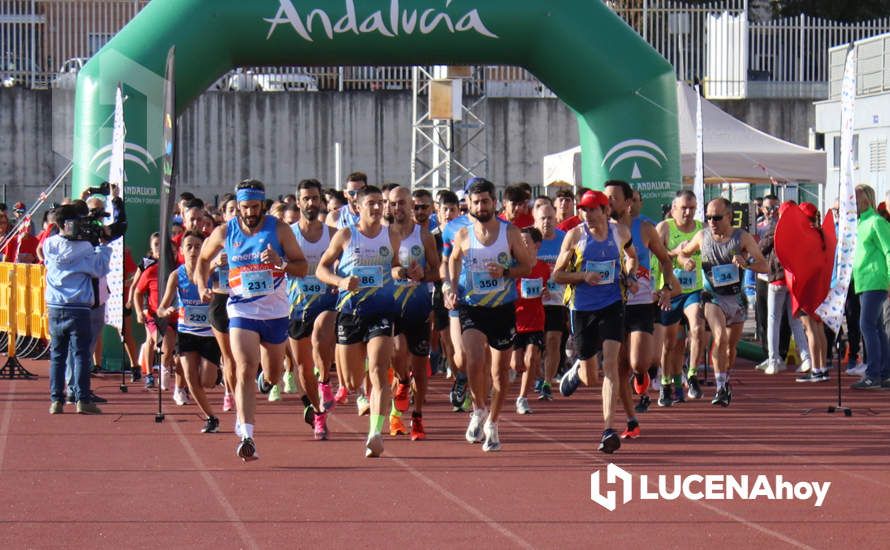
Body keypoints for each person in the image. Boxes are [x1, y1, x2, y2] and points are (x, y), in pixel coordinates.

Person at [195, 179, 308, 461]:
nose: (249, 212)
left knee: (272, 375)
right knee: (244, 367)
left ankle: (266, 383)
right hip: (241, 310)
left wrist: (279, 263)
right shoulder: (225, 231)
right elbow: (202, 259)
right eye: (244, 207)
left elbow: (302, 267)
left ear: (263, 205)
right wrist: (201, 284)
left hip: (275, 312)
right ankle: (247, 435)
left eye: (255, 207)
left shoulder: (279, 230)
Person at [444, 177, 534, 452]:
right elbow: (452, 259)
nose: (481, 206)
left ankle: (493, 423)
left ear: (494, 203)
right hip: (473, 307)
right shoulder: (462, 234)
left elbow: (528, 266)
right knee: (473, 358)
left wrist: (505, 272)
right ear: (468, 205)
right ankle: (478, 409)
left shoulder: (509, 233)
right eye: (475, 202)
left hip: (503, 309)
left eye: (485, 201)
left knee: (499, 374)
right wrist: (450, 285)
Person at [317, 185, 401, 458]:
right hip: (351, 313)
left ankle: (375, 432)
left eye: (380, 203)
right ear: (358, 207)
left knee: (379, 370)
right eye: (371, 204)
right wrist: (341, 281)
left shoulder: (392, 235)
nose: (377, 208)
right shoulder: (345, 235)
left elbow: (396, 266)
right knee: (353, 382)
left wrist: (405, 270)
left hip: (381, 311)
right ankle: (360, 373)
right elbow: (321, 268)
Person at [554, 189, 637, 454]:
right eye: (584, 210)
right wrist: (582, 276)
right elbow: (558, 275)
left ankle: (608, 429)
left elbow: (632, 256)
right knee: (592, 376)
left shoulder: (620, 233)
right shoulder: (575, 237)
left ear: (605, 210)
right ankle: (578, 368)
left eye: (592, 209)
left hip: (613, 303)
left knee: (611, 364)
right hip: (582, 307)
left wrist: (631, 276)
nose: (587, 215)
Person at [676, 198, 768, 406]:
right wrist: (686, 261)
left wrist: (747, 264)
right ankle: (720, 388)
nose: (711, 221)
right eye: (708, 217)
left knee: (730, 348)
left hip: (736, 298)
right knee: (719, 336)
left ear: (728, 217)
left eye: (716, 217)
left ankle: (725, 380)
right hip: (712, 297)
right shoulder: (702, 236)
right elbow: (682, 253)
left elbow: (765, 266)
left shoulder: (741, 238)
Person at [44, 204, 112, 414]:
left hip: (55, 305)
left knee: (58, 355)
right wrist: (103, 245)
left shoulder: (49, 244)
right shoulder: (84, 248)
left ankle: (56, 400)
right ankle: (82, 399)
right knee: (81, 354)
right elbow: (99, 269)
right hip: (79, 306)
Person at [287, 179, 338, 440]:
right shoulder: (288, 234)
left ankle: (325, 382)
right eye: (306, 198)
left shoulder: (332, 234)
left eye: (315, 198)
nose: (310, 203)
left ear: (321, 201)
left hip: (327, 301)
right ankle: (317, 413)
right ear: (298, 202)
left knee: (320, 335)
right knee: (302, 366)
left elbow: (344, 264)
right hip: (296, 306)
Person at [156, 230, 221, 433]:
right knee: (191, 379)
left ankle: (217, 373)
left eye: (197, 247)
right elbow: (160, 307)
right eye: (189, 247)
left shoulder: (212, 271)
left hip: (209, 334)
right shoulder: (177, 275)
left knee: (207, 381)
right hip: (186, 333)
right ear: (182, 251)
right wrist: (165, 310)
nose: (193, 251)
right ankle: (211, 417)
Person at [389, 187, 439, 439]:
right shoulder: (383, 235)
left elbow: (437, 271)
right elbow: (380, 269)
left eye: (402, 204)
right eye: (393, 204)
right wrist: (395, 271)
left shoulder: (424, 235)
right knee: (397, 351)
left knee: (420, 365)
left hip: (419, 304)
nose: (397, 208)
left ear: (411, 205)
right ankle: (402, 382)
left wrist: (423, 275)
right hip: (392, 304)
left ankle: (417, 417)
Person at [850, 184, 890, 390]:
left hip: (875, 280)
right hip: (864, 281)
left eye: (855, 199)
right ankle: (884, 373)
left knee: (867, 325)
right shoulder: (860, 223)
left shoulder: (876, 222)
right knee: (877, 328)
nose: (853, 203)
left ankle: (874, 373)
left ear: (866, 199)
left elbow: (889, 250)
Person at [512, 227, 550, 414]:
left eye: (525, 242)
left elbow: (551, 289)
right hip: (515, 320)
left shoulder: (543, 268)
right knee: (516, 364)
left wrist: (546, 292)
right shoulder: (514, 267)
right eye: (519, 242)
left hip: (535, 321)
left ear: (537, 245)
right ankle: (532, 375)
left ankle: (522, 398)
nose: (522, 246)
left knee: (531, 357)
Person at [533, 202, 567, 401]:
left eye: (550, 218)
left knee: (553, 341)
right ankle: (537, 376)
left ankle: (547, 381)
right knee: (535, 347)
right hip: (532, 301)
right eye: (542, 219)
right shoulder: (526, 239)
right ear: (535, 220)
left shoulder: (564, 239)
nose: (547, 222)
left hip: (556, 300)